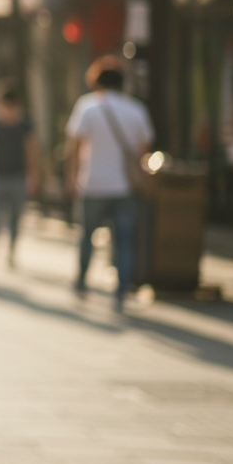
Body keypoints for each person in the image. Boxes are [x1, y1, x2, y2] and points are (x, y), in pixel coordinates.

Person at [65, 56, 153, 311]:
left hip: (91, 185)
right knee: (124, 241)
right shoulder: (136, 110)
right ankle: (120, 291)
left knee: (86, 237)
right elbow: (143, 152)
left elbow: (73, 147)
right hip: (124, 188)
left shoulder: (87, 107)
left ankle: (81, 282)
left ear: (96, 82)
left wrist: (71, 178)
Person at [0, 78, 40, 267]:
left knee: (15, 216)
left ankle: (11, 249)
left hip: (18, 176)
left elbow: (32, 150)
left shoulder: (25, 123)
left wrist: (35, 174)